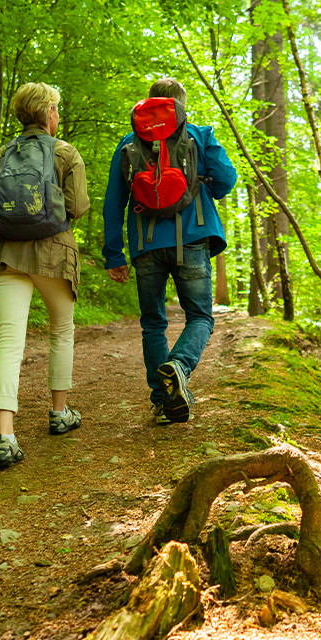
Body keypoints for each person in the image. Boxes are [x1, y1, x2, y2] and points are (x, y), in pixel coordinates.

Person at [102, 77, 237, 425]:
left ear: (149, 105)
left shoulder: (128, 143)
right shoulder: (199, 135)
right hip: (192, 239)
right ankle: (178, 367)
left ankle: (163, 399)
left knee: (153, 324)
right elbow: (226, 180)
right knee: (201, 317)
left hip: (146, 245)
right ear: (180, 106)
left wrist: (114, 254)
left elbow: (113, 203)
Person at [0, 82, 89, 468]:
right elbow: (79, 207)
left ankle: (5, 437)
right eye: (56, 109)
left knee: (9, 341)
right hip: (55, 255)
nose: (58, 116)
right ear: (48, 114)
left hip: (8, 254)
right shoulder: (65, 153)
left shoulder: (2, 154)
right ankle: (59, 414)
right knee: (61, 331)